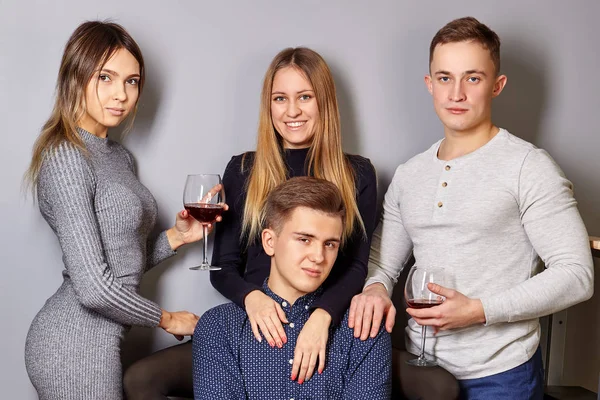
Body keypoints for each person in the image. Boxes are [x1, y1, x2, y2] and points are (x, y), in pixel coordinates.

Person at [349, 16, 594, 399]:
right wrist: (377, 289)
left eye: (473, 78)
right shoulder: (410, 174)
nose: (457, 93)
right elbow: (383, 263)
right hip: (419, 371)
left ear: (497, 86)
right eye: (445, 78)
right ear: (429, 85)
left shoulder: (528, 166)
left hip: (501, 376)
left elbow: (577, 274)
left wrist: (480, 310)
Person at [124, 46, 377, 399]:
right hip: (258, 320)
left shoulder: (358, 173)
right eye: (280, 98)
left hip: (326, 322)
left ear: (325, 103)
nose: (292, 111)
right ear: (268, 104)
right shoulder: (243, 169)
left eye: (305, 97)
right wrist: (253, 299)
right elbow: (223, 266)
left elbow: (355, 267)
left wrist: (323, 317)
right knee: (142, 378)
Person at [23, 21, 222, 400]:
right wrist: (166, 318)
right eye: (106, 77)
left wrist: (177, 237)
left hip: (102, 338)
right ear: (75, 77)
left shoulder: (119, 158)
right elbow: (94, 288)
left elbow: (121, 262)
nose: (121, 95)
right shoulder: (66, 156)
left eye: (132, 81)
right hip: (72, 345)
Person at [193, 176, 391, 399]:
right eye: (304, 239)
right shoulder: (220, 327)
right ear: (270, 242)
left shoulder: (363, 328)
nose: (318, 257)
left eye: (330, 244)